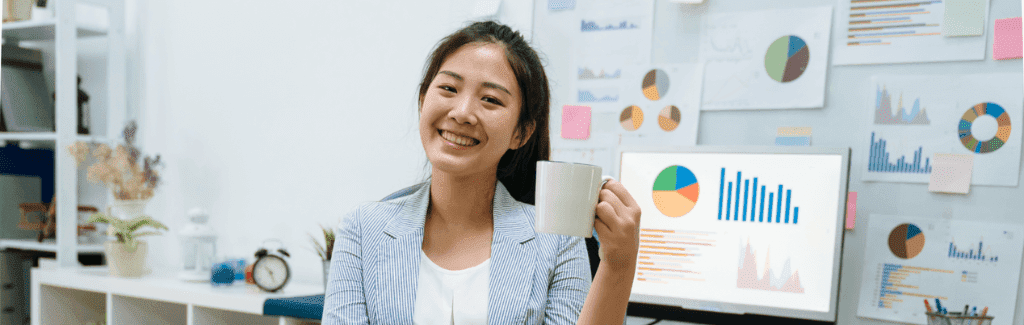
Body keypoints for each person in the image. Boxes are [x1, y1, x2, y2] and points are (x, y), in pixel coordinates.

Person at [322, 21, 641, 324]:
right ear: (423, 101)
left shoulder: (556, 243)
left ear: (522, 132)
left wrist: (618, 263)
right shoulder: (363, 231)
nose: (461, 113)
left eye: (490, 99)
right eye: (448, 88)